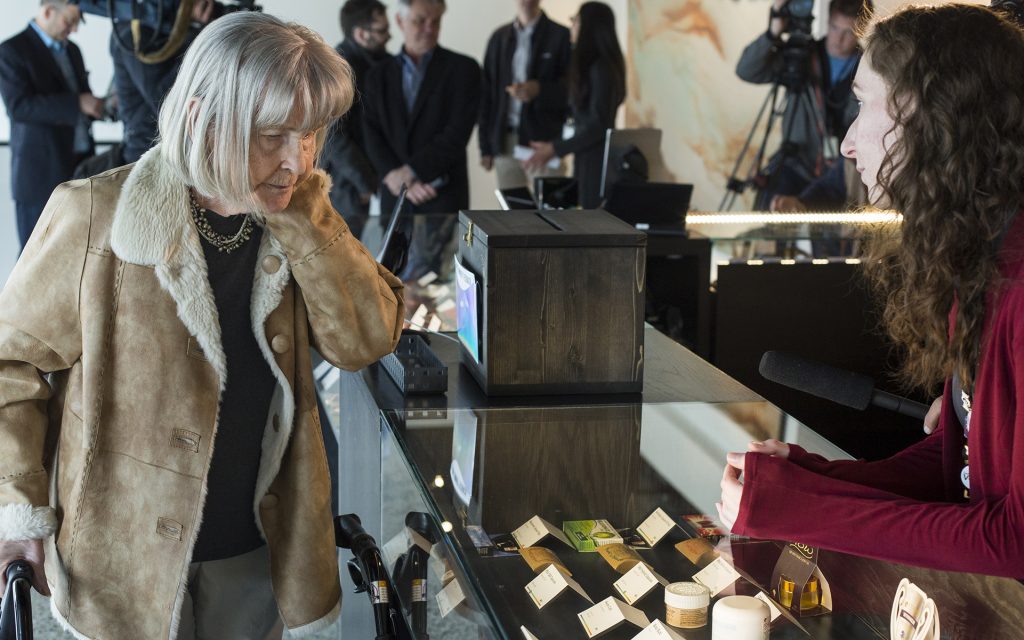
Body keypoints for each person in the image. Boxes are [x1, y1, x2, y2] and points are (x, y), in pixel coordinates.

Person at [0, 12, 404, 639]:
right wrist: (20, 513)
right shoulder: (93, 215)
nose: (296, 159)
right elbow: (11, 364)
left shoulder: (297, 217)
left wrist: (307, 217)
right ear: (202, 117)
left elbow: (365, 341)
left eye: (311, 133)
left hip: (256, 544)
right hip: (120, 553)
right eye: (273, 134)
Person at [719, 4, 1024, 578]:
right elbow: (956, 467)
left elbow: (1014, 539)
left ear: (926, 114)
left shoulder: (1019, 286)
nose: (847, 143)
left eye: (863, 104)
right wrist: (810, 481)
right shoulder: (979, 257)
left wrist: (803, 510)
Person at [362, 0, 481, 279]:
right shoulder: (376, 76)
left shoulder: (464, 69)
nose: (429, 28)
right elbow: (371, 133)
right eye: (420, 20)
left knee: (442, 283)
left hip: (441, 194)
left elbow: (456, 134)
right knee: (393, 280)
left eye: (436, 21)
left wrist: (411, 174)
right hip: (395, 197)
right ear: (400, 22)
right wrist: (399, 178)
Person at [735, 0, 873, 209]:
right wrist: (773, 34)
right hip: (794, 163)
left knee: (833, 236)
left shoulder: (869, 69)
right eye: (835, 27)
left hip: (840, 173)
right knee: (773, 217)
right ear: (827, 21)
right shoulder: (801, 57)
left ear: (861, 31)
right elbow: (747, 70)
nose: (839, 38)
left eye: (849, 32)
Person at [0, 0, 103, 250]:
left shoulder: (73, 51)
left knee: (76, 255)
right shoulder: (12, 50)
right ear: (47, 12)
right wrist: (77, 102)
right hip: (39, 175)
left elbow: (82, 98)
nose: (75, 30)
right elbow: (20, 107)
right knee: (35, 259)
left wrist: (99, 105)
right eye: (70, 21)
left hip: (80, 167)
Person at [523, 1, 624, 209]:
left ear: (588, 26)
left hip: (595, 165)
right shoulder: (599, 67)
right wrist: (556, 145)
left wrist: (556, 148)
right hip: (587, 160)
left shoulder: (600, 69)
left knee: (589, 223)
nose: (572, 25)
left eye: (575, 20)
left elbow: (597, 125)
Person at [478, 0, 571, 191]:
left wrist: (540, 89)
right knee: (510, 215)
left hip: (544, 141)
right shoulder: (499, 38)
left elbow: (573, 91)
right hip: (505, 140)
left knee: (551, 213)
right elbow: (486, 94)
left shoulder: (560, 36)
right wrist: (485, 147)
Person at [108, 0, 215, 164]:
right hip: (148, 155)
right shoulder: (134, 33)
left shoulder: (171, 31)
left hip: (177, 149)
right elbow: (163, 100)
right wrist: (201, 36)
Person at [321, 0, 391, 241]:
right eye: (382, 31)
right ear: (361, 33)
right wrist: (364, 183)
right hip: (345, 184)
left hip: (363, 181)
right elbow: (332, 136)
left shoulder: (378, 64)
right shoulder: (338, 69)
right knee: (340, 256)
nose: (389, 36)